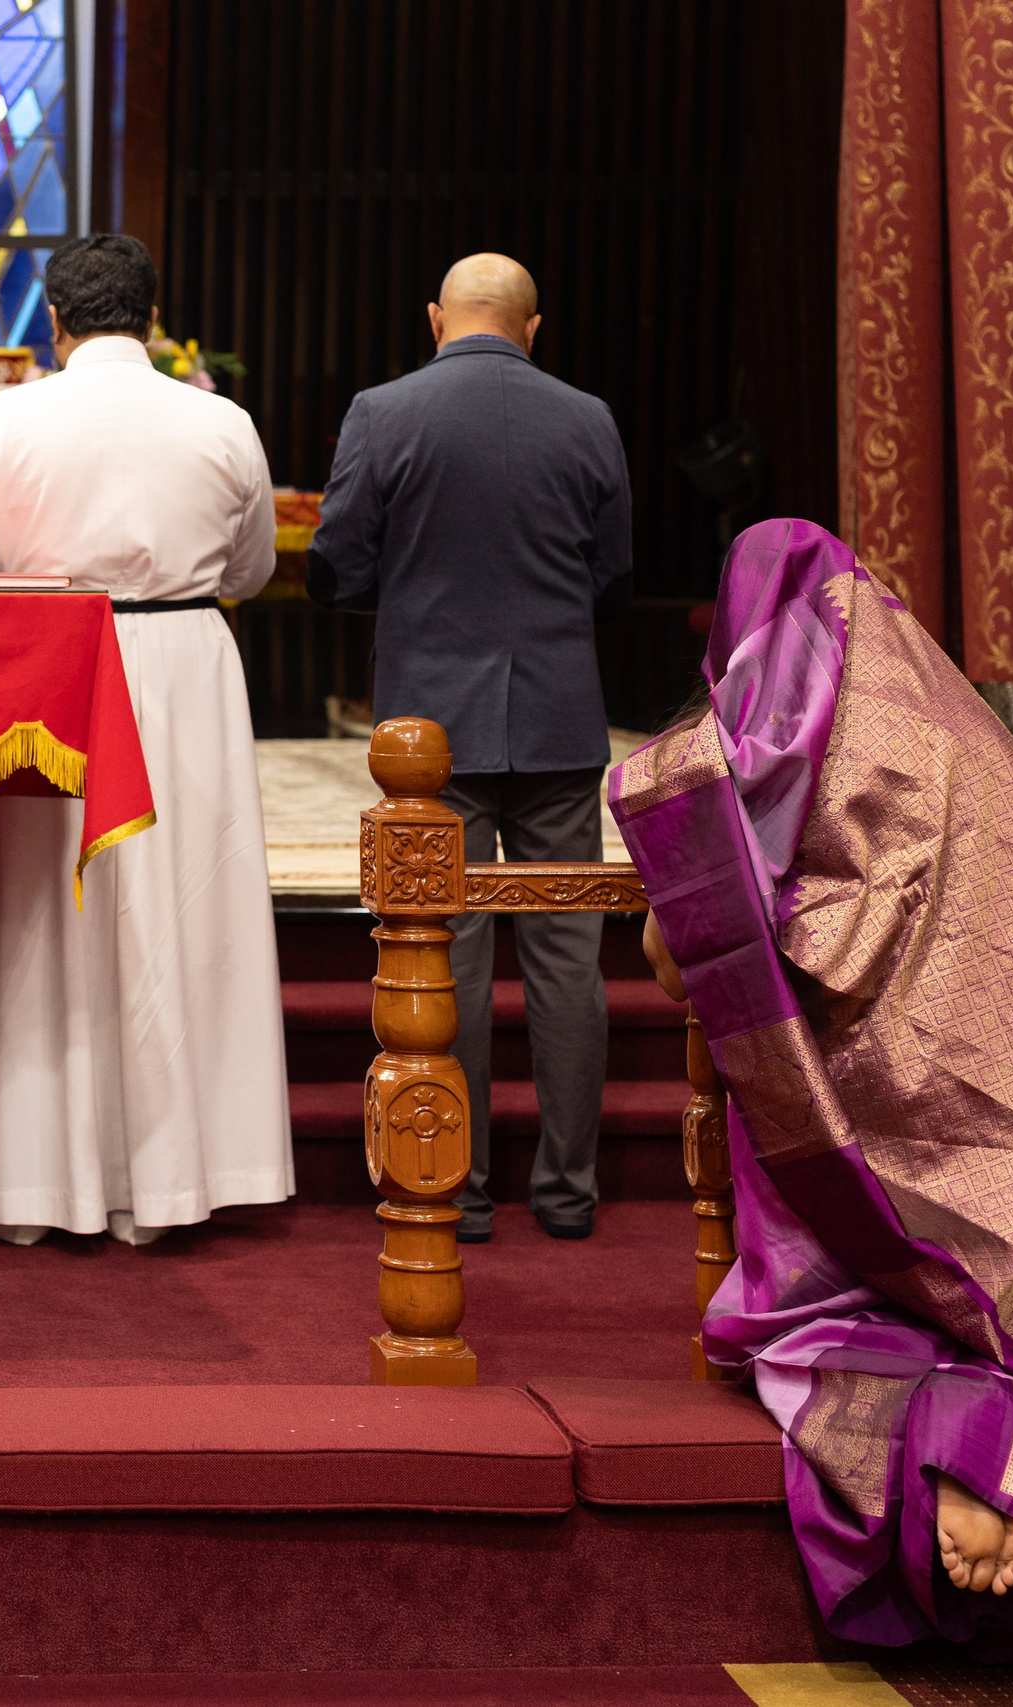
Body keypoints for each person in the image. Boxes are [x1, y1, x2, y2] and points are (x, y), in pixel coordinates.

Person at [617, 519, 1013, 1674]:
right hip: (996, 1101)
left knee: (829, 1316)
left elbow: (711, 933)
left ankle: (957, 1445)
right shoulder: (963, 722)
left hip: (852, 1105)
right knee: (980, 1295)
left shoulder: (774, 735)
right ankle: (992, 1418)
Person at [0, 232, 291, 1244]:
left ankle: (40, 1191)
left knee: (55, 918)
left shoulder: (7, 420)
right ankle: (182, 1178)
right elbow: (254, 569)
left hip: (60, 672)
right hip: (185, 665)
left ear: (52, 319)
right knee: (188, 909)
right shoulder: (219, 421)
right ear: (151, 314)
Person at [310, 253, 629, 1241]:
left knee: (442, 955)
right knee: (566, 961)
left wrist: (406, 593)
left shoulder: (383, 411)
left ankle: (460, 1187)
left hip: (426, 738)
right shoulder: (587, 419)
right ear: (534, 328)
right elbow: (611, 572)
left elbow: (333, 563)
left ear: (436, 319)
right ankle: (568, 1194)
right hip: (558, 721)